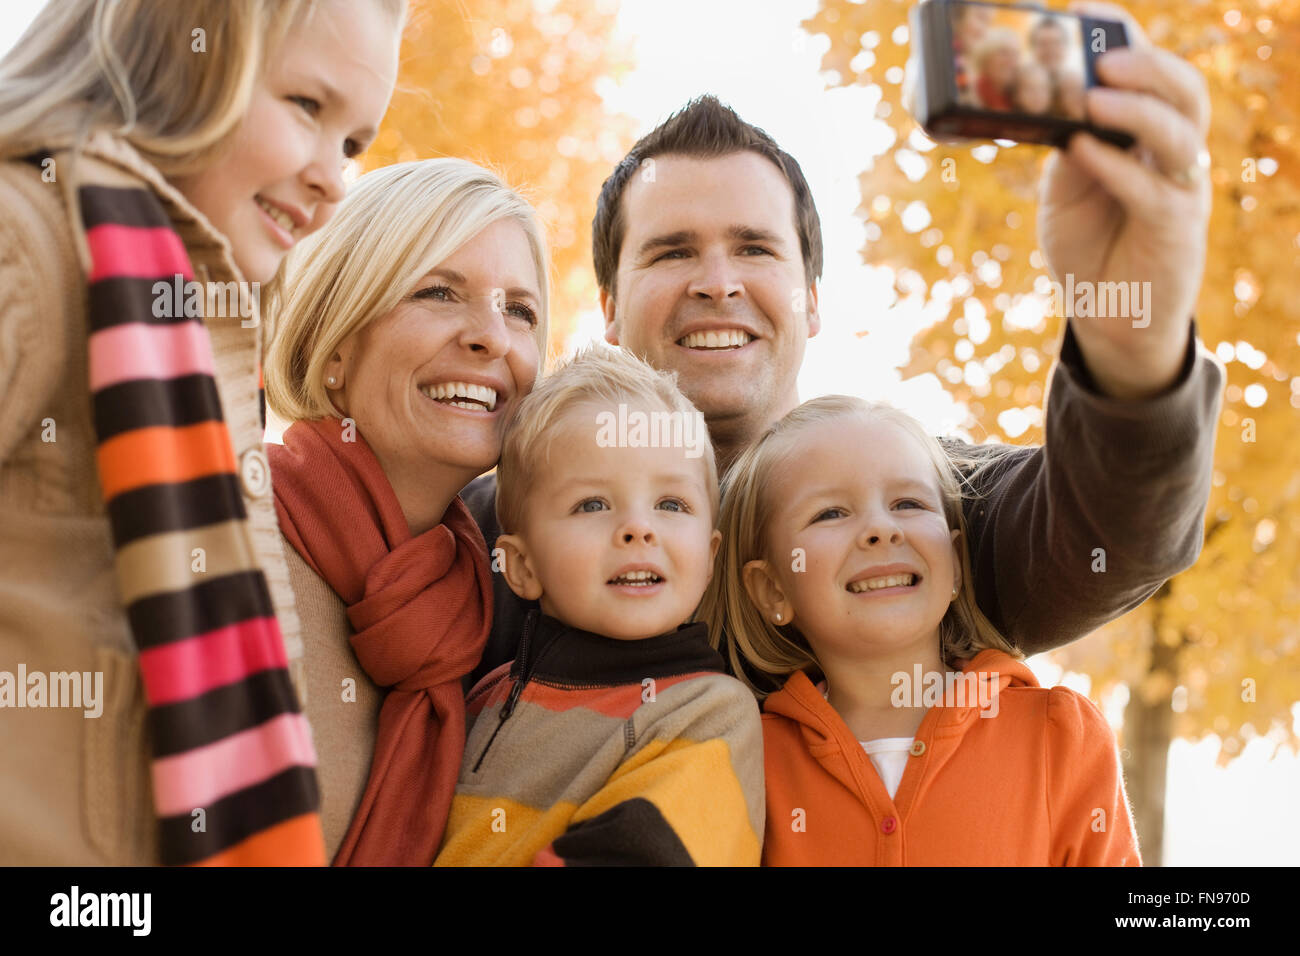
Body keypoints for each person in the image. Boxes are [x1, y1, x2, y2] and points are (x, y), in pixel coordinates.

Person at [464, 0, 1222, 697]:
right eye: (671, 253)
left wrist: (1133, 338)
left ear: (813, 299)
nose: (718, 283)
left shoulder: (925, 499)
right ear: (608, 310)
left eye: (755, 248)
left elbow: (1111, 531)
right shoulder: (505, 518)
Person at [0, 0, 402, 866]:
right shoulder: (27, 243)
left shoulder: (202, 333)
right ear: (179, 51)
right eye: (306, 107)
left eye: (354, 144)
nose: (333, 176)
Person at [701, 395, 1141, 865]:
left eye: (908, 503)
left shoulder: (1060, 737)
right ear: (772, 590)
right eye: (831, 513)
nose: (881, 529)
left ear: (953, 563)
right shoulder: (744, 764)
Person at [263, 158, 549, 865]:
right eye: (438, 292)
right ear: (333, 347)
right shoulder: (221, 540)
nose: (492, 336)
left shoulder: (481, 601)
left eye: (520, 309)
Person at [435, 347, 763, 866]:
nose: (639, 527)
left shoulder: (707, 711)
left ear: (708, 559)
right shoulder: (482, 702)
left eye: (671, 504)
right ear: (522, 566)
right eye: (593, 504)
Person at [971, 27, 1023, 112]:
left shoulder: (1019, 99)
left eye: (1015, 54)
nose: (1011, 60)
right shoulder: (970, 95)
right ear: (985, 58)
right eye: (1004, 53)